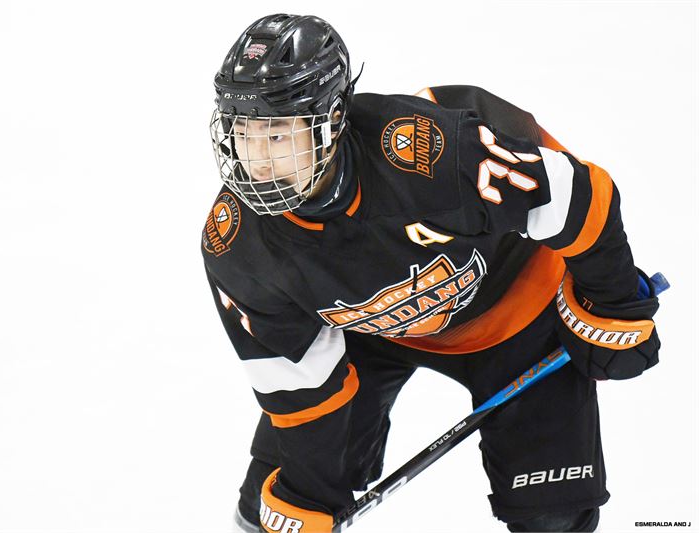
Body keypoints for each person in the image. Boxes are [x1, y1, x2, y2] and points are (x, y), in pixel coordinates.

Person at [202, 13, 661, 533]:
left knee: (553, 518)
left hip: (517, 317)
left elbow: (576, 195)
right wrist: (309, 492)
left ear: (331, 120)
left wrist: (613, 302)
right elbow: (299, 386)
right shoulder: (237, 243)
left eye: (277, 134)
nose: (258, 161)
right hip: (372, 334)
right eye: (244, 134)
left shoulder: (432, 154)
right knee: (271, 507)